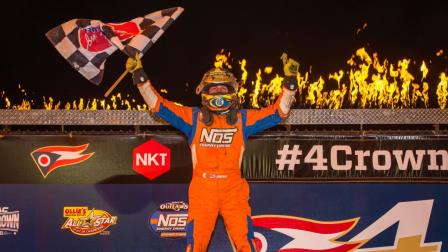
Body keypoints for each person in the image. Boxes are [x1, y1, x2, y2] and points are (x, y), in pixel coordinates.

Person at [126, 54, 298, 252]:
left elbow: (278, 113)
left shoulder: (242, 119)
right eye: (213, 88)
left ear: (232, 91)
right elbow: (159, 106)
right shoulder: (194, 118)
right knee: (195, 244)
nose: (218, 91)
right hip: (203, 189)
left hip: (234, 189)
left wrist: (290, 85)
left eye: (223, 88)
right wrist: (140, 78)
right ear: (204, 91)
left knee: (245, 243)